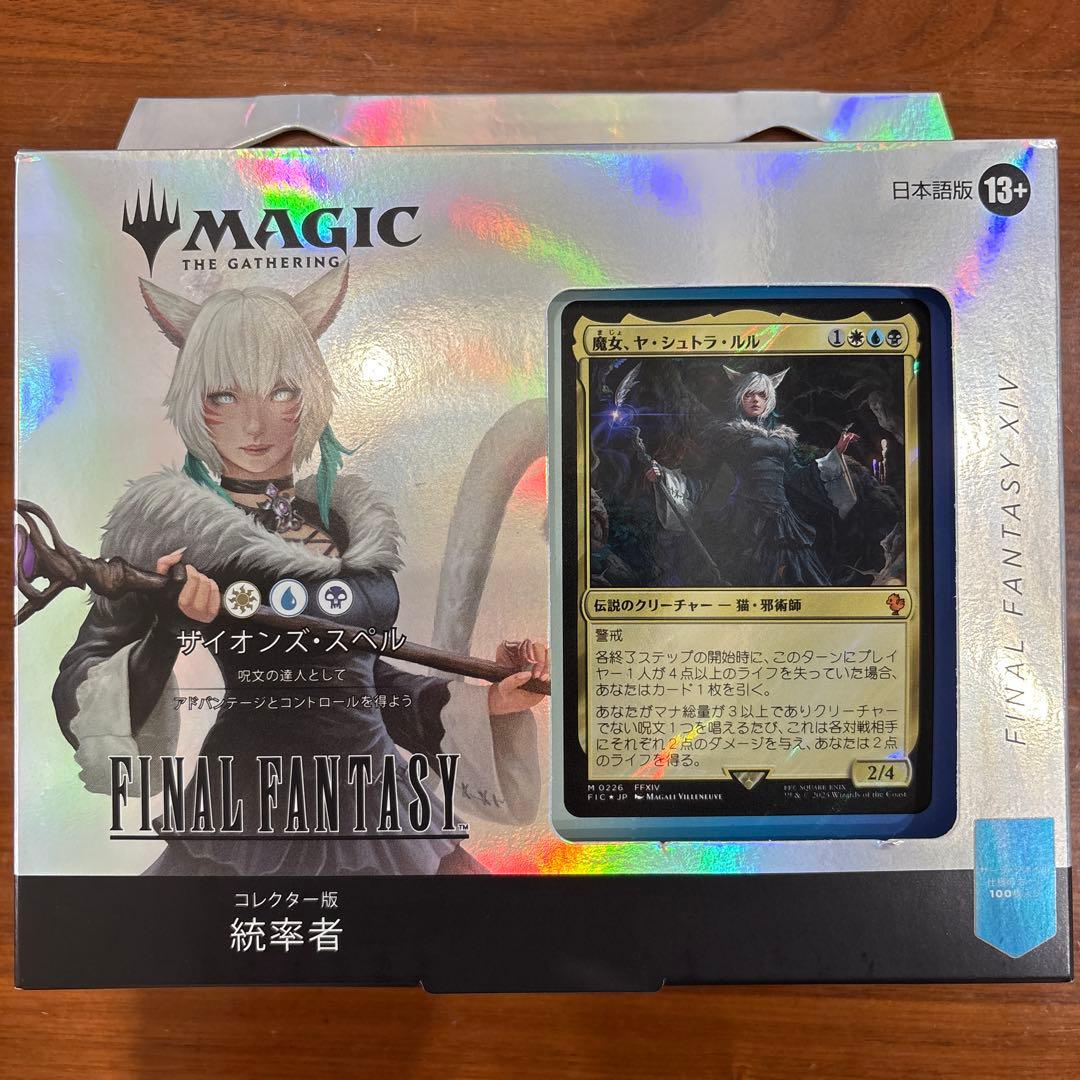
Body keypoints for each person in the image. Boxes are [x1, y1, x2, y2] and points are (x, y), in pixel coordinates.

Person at [52, 262, 545, 876]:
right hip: (247, 809)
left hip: (377, 804)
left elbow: (364, 679)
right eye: (224, 396)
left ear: (309, 394)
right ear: (193, 402)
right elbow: (85, 678)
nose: (254, 423)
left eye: (280, 391)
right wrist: (165, 632)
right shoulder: (164, 530)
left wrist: (487, 703)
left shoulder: (346, 521)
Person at [645, 366, 860, 587]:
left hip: (782, 520)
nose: (755, 400)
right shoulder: (728, 434)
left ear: (769, 399)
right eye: (749, 394)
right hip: (744, 518)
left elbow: (797, 475)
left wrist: (836, 453)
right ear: (740, 397)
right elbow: (704, 478)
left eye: (761, 395)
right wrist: (664, 478)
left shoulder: (783, 437)